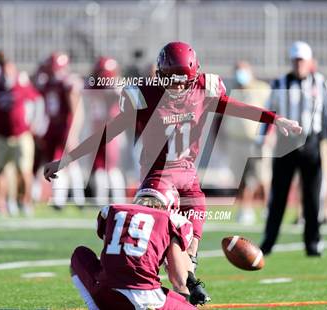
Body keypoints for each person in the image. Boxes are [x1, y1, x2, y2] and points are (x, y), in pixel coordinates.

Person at [45, 41, 302, 302]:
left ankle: (187, 284)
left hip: (189, 177)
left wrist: (274, 118)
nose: (179, 87)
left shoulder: (204, 89)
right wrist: (67, 160)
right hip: (159, 178)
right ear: (160, 74)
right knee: (158, 246)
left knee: (189, 249)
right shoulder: (145, 94)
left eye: (184, 81)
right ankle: (152, 288)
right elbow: (108, 132)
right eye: (173, 80)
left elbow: (236, 107)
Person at [260, 41, 327, 257]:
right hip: (285, 143)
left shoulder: (321, 82)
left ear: (309, 61)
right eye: (295, 60)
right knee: (278, 196)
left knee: (312, 197)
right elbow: (267, 112)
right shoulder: (279, 83)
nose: (298, 64)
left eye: (301, 60)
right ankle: (268, 241)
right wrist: (262, 138)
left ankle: (313, 243)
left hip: (311, 143)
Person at [70, 179, 197, 309]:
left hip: (106, 293)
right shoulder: (173, 220)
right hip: (146, 298)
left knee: (80, 254)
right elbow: (178, 279)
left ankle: (95, 307)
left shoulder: (113, 210)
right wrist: (187, 294)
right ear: (170, 203)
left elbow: (114, 257)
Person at [0, 59, 43, 216]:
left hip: (21, 135)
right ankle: (0, 203)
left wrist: (35, 123)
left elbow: (38, 101)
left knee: (24, 171)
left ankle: (25, 202)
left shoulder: (22, 87)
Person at [34, 52, 86, 210]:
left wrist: (73, 132)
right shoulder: (48, 82)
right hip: (52, 126)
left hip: (65, 126)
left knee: (70, 162)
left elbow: (77, 110)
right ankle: (59, 199)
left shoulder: (68, 83)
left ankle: (78, 198)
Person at [222, 61, 271, 224]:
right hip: (236, 141)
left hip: (256, 141)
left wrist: (269, 135)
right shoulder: (230, 91)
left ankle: (267, 208)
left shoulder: (262, 89)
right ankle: (245, 209)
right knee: (241, 179)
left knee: (261, 176)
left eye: (242, 71)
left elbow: (271, 113)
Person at [86, 56, 126, 205]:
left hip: (109, 131)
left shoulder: (98, 86)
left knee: (109, 167)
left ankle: (113, 200)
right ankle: (104, 200)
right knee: (102, 167)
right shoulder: (105, 86)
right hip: (104, 130)